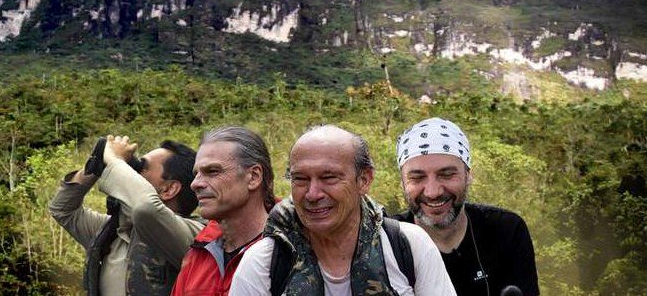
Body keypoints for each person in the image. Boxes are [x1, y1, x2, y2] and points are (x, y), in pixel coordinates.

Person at [231, 125, 456, 296]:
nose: (312, 194)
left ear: (364, 180)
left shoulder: (407, 246)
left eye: (329, 178)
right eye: (300, 179)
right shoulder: (265, 262)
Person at [393, 118, 540, 296]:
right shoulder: (386, 242)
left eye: (446, 174)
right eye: (417, 178)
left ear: (468, 175)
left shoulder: (506, 230)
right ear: (402, 183)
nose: (433, 192)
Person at [48, 134, 203, 295]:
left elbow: (146, 208)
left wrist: (115, 161)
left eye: (141, 167)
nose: (130, 171)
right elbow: (63, 210)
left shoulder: (195, 236)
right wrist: (95, 165)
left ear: (169, 189)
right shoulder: (114, 233)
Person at [171, 126, 276, 295]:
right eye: (196, 173)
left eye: (212, 171)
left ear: (254, 177)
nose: (195, 184)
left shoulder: (288, 251)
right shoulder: (198, 255)